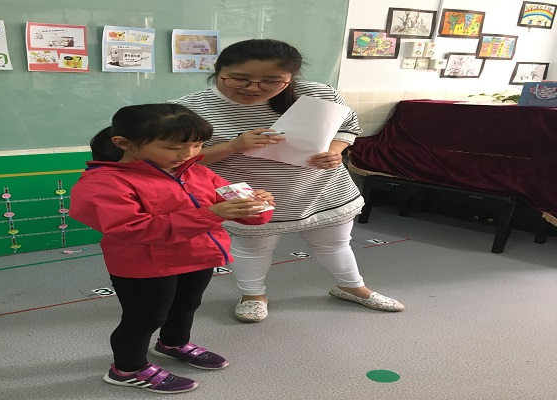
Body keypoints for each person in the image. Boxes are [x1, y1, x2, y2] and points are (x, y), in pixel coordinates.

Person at [172, 39, 404, 323]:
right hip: (249, 196)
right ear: (217, 69)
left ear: (291, 77)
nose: (253, 88)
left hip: (322, 190)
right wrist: (233, 146)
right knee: (252, 248)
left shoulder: (318, 94)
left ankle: (352, 287)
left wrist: (334, 152)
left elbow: (346, 127)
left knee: (335, 244)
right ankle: (253, 295)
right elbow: (176, 162)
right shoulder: (187, 109)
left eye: (272, 81)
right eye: (239, 78)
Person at [69, 103, 274, 393]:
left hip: (197, 255)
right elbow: (132, 229)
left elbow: (249, 215)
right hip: (143, 264)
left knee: (186, 305)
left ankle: (173, 344)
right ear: (124, 143)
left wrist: (256, 204)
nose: (188, 154)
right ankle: (127, 369)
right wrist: (212, 214)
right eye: (174, 148)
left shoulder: (199, 172)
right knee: (145, 318)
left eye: (198, 145)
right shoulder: (103, 182)